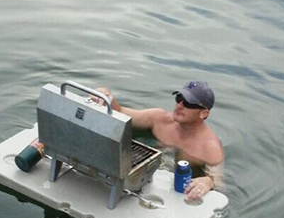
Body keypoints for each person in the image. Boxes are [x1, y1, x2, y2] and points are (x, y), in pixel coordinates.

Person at [95, 80, 224, 201]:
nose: (179, 105)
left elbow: (219, 182)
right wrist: (107, 97)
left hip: (174, 192)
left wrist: (209, 181)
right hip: (146, 177)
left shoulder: (210, 147)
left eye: (188, 103)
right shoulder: (158, 119)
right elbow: (120, 112)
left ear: (204, 113)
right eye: (179, 98)